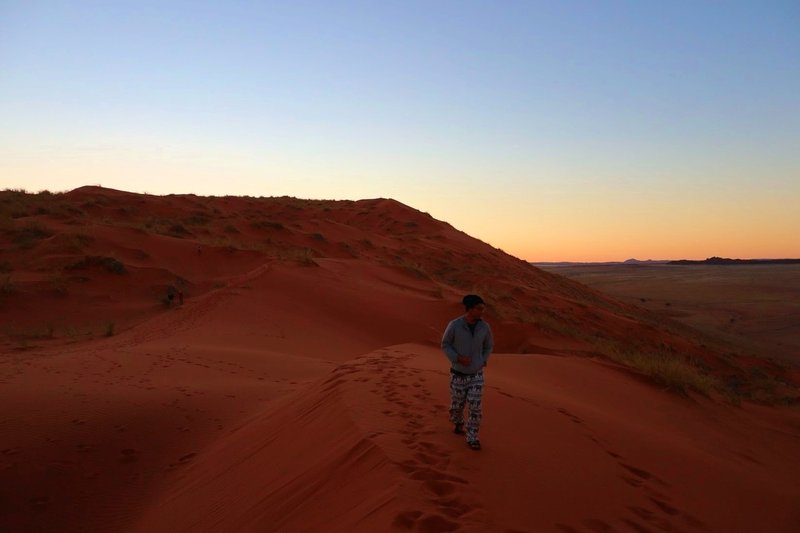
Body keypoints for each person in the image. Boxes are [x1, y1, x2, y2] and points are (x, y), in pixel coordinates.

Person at [441, 294, 493, 450]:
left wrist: (483, 360)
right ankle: (457, 420)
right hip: (458, 373)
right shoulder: (455, 325)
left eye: (483, 308)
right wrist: (456, 358)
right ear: (469, 309)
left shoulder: (484, 327)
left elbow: (489, 345)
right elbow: (445, 344)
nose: (482, 312)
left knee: (475, 407)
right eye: (479, 309)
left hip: (476, 374)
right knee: (458, 405)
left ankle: (472, 437)